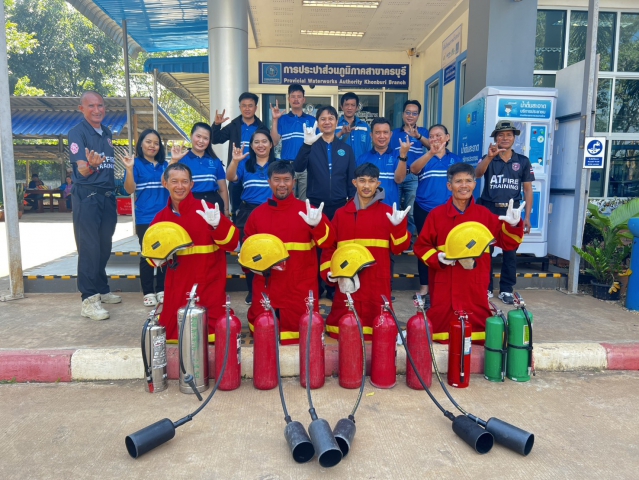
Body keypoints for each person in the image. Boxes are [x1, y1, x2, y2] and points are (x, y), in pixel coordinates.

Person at [413, 162, 525, 341]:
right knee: (440, 334)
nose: (463, 185)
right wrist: (437, 257)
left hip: (475, 287)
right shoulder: (436, 215)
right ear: (449, 186)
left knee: (479, 335)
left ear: (474, 184)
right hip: (444, 285)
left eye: (468, 181)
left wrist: (513, 225)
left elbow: (509, 243)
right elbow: (421, 246)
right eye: (458, 181)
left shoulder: (484, 215)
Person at [243, 161, 335, 344]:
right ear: (269, 182)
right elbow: (247, 253)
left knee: (302, 338)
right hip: (267, 288)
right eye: (277, 179)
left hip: (299, 288)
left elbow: (328, 243)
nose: (282, 184)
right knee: (264, 342)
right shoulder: (257, 215)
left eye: (286, 179)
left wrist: (317, 225)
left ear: (294, 182)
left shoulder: (309, 212)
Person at [321, 163, 411, 339]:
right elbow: (330, 246)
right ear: (355, 183)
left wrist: (399, 227)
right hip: (347, 281)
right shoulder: (341, 214)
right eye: (362, 181)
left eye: (371, 181)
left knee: (380, 330)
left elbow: (399, 249)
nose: (367, 185)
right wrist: (330, 272)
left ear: (378, 183)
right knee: (344, 330)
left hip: (377, 282)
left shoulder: (389, 214)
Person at [151, 163, 239, 342]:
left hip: (209, 287)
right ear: (165, 183)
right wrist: (157, 257)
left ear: (192, 184)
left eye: (185, 181)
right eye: (174, 181)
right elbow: (153, 259)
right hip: (177, 290)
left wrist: (218, 225)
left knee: (216, 333)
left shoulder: (207, 210)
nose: (180, 186)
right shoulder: (161, 218)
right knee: (174, 333)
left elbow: (234, 244)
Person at [295, 105, 356, 300]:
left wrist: (352, 206)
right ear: (318, 122)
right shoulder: (311, 145)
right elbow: (298, 167)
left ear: (337, 122)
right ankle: (316, 286)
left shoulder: (346, 149)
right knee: (316, 248)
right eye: (323, 118)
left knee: (335, 247)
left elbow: (351, 180)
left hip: (339, 206)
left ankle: (332, 287)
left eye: (331, 118)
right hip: (315, 205)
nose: (327, 122)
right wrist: (306, 145)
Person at [68, 90, 120, 320]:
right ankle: (88, 300)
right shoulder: (77, 133)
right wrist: (90, 166)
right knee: (89, 248)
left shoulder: (106, 132)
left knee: (104, 246)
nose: (97, 110)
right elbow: (82, 170)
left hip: (107, 196)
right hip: (87, 197)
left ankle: (101, 288)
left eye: (100, 105)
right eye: (91, 106)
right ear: (82, 109)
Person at [475, 120, 534, 304]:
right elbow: (477, 174)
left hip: (512, 212)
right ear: (495, 138)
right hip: (489, 210)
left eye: (509, 135)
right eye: (501, 135)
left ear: (514, 138)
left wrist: (527, 217)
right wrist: (489, 157)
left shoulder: (522, 161)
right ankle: (485, 288)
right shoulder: (488, 157)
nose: (505, 138)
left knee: (510, 252)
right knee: (486, 251)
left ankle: (507, 289)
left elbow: (528, 190)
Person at [409, 124, 462, 301]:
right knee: (425, 247)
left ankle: (447, 285)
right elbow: (414, 170)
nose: (435, 139)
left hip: (449, 211)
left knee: (448, 246)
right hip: (424, 209)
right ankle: (424, 287)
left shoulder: (455, 160)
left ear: (447, 137)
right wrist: (430, 153)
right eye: (431, 136)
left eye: (439, 135)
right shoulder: (424, 157)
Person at [122, 129, 175, 307]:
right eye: (148, 142)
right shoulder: (135, 164)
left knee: (165, 253)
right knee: (147, 254)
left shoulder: (165, 165)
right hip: (145, 217)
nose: (152, 146)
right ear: (141, 144)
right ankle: (148, 292)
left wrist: (174, 162)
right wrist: (129, 169)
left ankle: (161, 289)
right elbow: (129, 189)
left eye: (156, 143)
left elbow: (169, 184)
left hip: (165, 216)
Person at [226, 129, 276, 305]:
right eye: (256, 142)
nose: (261, 145)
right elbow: (230, 177)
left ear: (271, 144)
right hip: (248, 213)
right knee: (248, 252)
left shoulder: (277, 164)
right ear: (252, 146)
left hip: (272, 211)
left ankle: (271, 288)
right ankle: (252, 290)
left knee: (272, 251)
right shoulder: (244, 164)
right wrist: (235, 161)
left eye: (264, 141)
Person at [212, 92, 266, 222]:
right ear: (240, 107)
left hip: (253, 173)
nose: (247, 108)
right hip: (235, 172)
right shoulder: (234, 125)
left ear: (256, 108)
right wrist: (216, 125)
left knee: (257, 208)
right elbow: (215, 139)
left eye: (250, 105)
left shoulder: (262, 127)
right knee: (236, 210)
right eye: (244, 105)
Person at [389, 100, 430, 244]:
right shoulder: (394, 133)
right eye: (408, 112)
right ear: (402, 114)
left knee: (411, 212)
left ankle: (409, 243)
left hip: (414, 177)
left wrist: (418, 136)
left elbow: (433, 146)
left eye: (414, 113)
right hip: (396, 175)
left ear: (418, 115)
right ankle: (395, 241)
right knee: (394, 209)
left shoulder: (423, 132)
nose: (410, 116)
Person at [170, 122, 230, 217]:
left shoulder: (215, 161)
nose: (201, 141)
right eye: (198, 136)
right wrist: (174, 160)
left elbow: (222, 189)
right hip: (190, 203)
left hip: (213, 205)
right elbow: (166, 180)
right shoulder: (181, 159)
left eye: (205, 138)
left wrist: (226, 210)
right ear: (191, 136)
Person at [270, 84, 316, 200]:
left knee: (305, 202)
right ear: (288, 99)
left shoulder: (312, 120)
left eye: (299, 96)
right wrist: (275, 120)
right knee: (287, 201)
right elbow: (274, 142)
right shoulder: (282, 119)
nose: (296, 99)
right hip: (287, 167)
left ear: (304, 99)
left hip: (307, 166)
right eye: (293, 96)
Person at [356, 117, 411, 208]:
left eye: (385, 132)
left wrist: (403, 155)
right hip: (367, 209)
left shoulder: (398, 156)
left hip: (390, 209)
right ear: (371, 135)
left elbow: (399, 180)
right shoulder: (362, 159)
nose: (382, 136)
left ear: (391, 134)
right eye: (377, 132)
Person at [336, 92, 372, 160]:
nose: (349, 108)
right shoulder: (335, 125)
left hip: (361, 165)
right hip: (341, 165)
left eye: (353, 105)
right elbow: (329, 145)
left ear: (357, 108)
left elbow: (369, 149)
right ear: (342, 107)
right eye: (347, 105)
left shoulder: (365, 127)